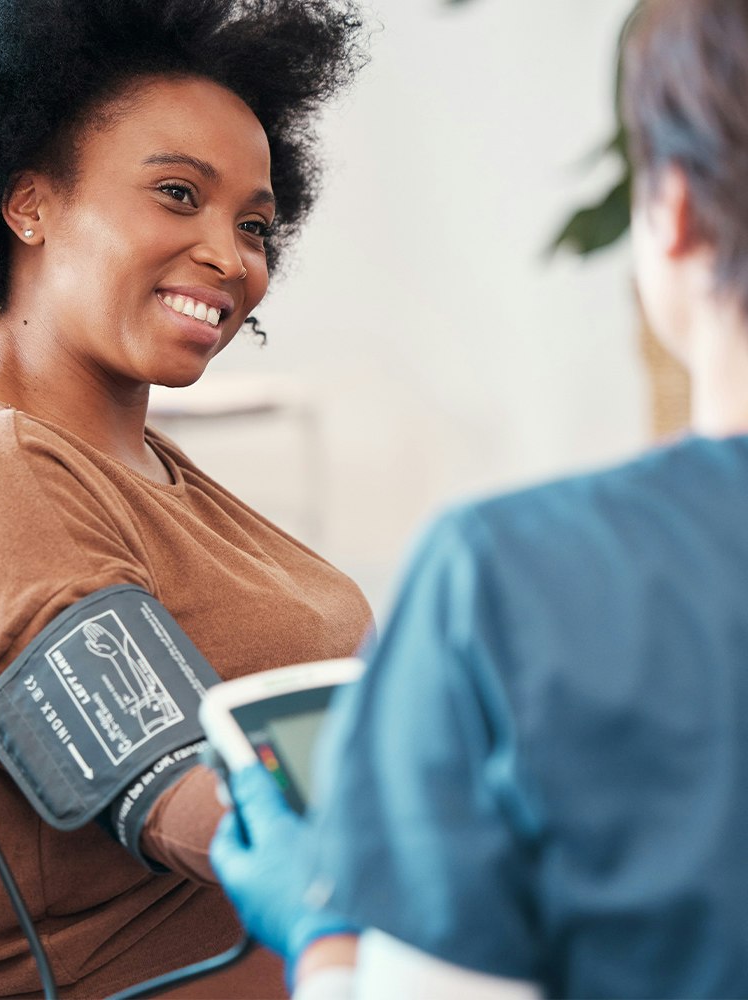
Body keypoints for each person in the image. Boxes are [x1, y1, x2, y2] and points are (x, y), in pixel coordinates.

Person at [210, 1, 748, 997]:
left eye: (252, 222)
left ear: (672, 207)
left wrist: (320, 929)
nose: (231, 260)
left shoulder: (504, 579)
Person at [0, 1, 371, 997]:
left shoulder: (153, 472)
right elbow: (179, 785)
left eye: (254, 225)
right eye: (176, 194)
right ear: (29, 202)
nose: (231, 259)